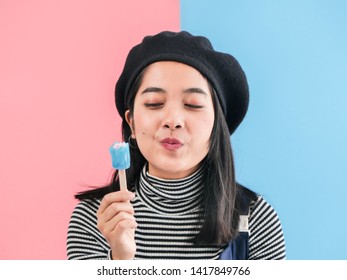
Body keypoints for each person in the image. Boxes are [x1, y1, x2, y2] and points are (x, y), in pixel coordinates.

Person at [66, 31, 286, 260]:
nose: (173, 120)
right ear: (131, 122)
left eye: (192, 104)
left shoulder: (255, 219)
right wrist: (119, 261)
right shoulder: (94, 218)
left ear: (216, 126)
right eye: (154, 103)